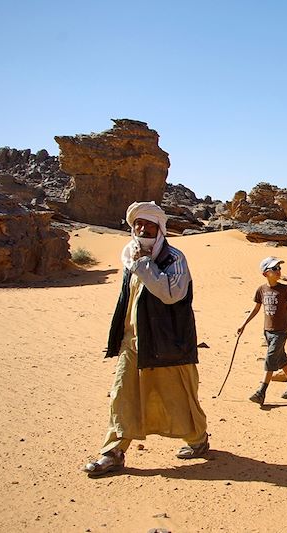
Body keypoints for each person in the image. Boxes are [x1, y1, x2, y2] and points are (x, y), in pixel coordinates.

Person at [82, 201, 208, 477]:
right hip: (133, 341)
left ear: (159, 228)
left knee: (179, 395)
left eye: (148, 224)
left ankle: (198, 439)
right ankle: (113, 451)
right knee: (122, 394)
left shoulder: (174, 259)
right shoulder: (130, 256)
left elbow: (171, 294)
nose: (142, 229)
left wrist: (144, 264)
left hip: (168, 342)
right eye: (138, 224)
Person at [237, 256, 287, 406]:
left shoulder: (284, 289)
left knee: (270, 358)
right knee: (281, 359)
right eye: (274, 269)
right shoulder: (261, 290)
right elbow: (256, 309)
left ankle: (261, 392)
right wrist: (244, 324)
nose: (278, 271)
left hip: (281, 331)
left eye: (279, 268)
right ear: (265, 274)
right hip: (267, 331)